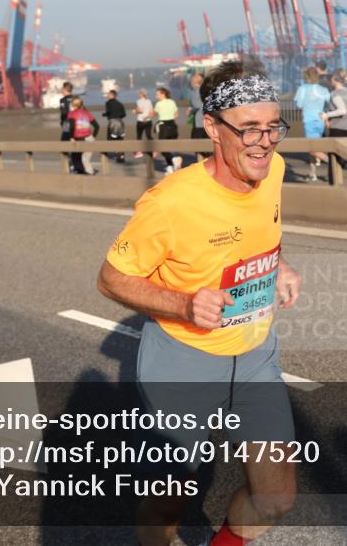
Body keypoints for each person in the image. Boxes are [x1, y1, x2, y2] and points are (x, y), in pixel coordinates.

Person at [97, 57, 300, 546]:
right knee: (171, 496)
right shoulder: (170, 203)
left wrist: (279, 265)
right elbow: (111, 279)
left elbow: (260, 232)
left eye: (274, 126)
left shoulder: (272, 169)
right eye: (249, 129)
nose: (265, 141)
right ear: (212, 125)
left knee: (276, 498)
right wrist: (185, 305)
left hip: (256, 355)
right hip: (182, 364)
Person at [293, 66, 330, 181]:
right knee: (315, 148)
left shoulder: (303, 89)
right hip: (321, 121)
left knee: (311, 149)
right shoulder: (323, 90)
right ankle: (312, 173)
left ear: (307, 77)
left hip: (309, 121)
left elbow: (298, 105)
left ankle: (332, 161)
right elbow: (329, 103)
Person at [66, 96, 99, 175]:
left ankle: (86, 174)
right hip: (89, 138)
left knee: (76, 158)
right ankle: (87, 173)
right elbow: (97, 126)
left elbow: (72, 126)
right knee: (85, 159)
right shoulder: (86, 113)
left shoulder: (72, 113)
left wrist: (71, 137)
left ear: (73, 104)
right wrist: (93, 136)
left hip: (79, 139)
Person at [154, 86, 182, 174]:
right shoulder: (172, 102)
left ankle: (174, 160)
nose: (156, 96)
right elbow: (176, 115)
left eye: (157, 94)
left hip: (164, 126)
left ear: (163, 94)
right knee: (170, 147)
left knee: (163, 147)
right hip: (173, 126)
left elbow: (153, 113)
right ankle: (170, 167)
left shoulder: (158, 104)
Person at [102, 89, 127, 163]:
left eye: (108, 94)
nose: (107, 96)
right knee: (120, 139)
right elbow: (124, 114)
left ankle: (110, 155)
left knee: (110, 138)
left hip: (112, 122)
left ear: (112, 95)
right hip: (120, 122)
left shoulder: (108, 103)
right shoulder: (120, 104)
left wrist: (104, 114)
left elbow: (108, 112)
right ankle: (121, 155)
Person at [134, 89, 155, 159]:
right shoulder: (149, 101)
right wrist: (147, 117)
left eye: (139, 93)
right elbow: (152, 111)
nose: (138, 95)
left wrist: (135, 111)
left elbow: (140, 110)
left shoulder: (139, 101)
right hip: (148, 120)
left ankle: (139, 152)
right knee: (149, 135)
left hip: (140, 120)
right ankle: (153, 150)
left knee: (139, 136)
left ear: (141, 94)